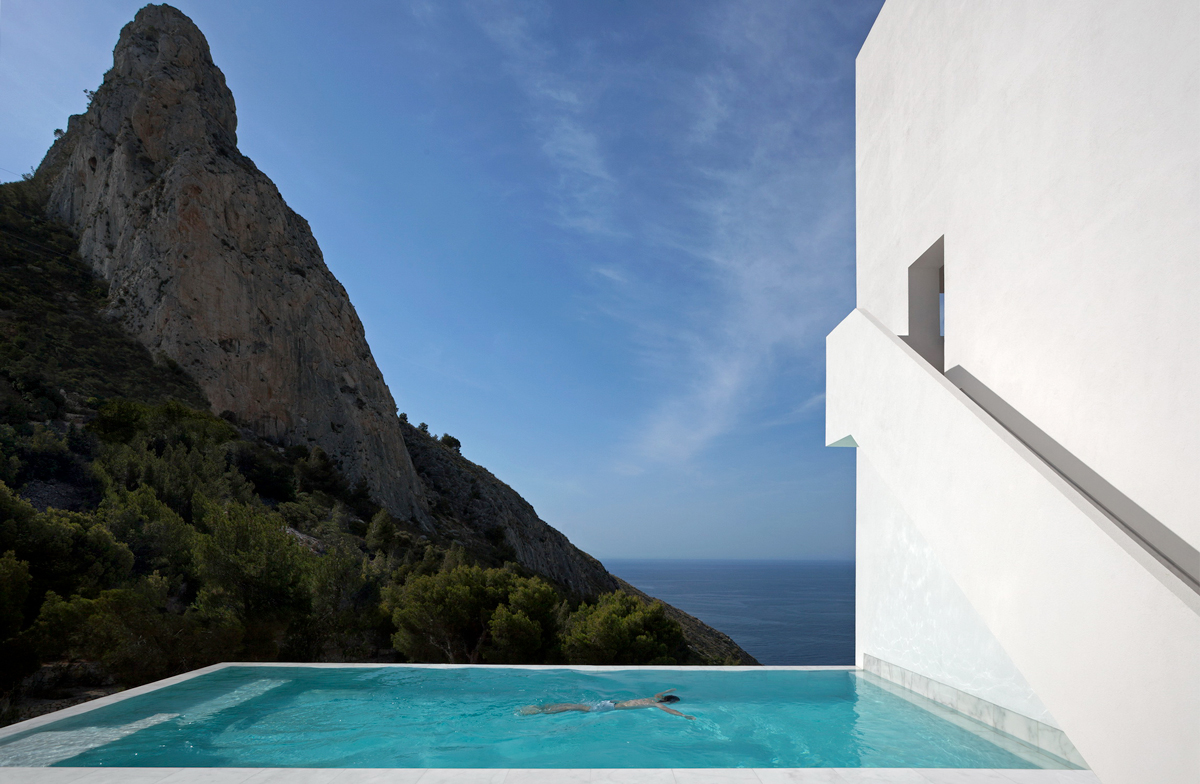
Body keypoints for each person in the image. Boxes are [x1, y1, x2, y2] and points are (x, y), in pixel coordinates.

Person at [519, 688, 695, 720]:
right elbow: (668, 710)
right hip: (611, 707)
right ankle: (539, 712)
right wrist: (683, 715)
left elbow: (660, 695)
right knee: (577, 708)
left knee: (577, 705)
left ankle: (542, 708)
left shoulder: (654, 698)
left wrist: (668, 690)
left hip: (612, 702)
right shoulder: (656, 705)